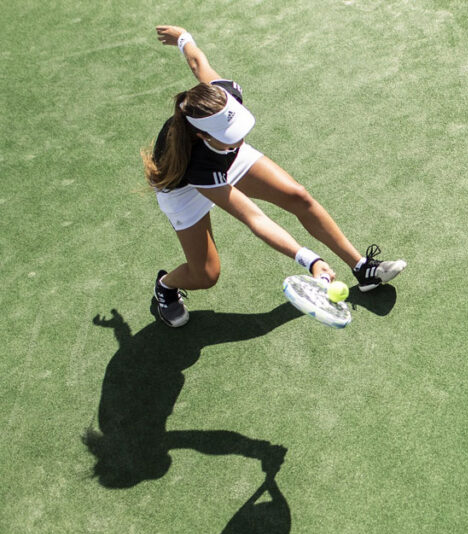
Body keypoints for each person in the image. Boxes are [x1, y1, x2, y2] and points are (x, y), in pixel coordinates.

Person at [141, 25, 405, 327]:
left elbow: (198, 62)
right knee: (206, 274)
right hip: (184, 189)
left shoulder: (221, 99)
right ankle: (166, 286)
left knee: (298, 196)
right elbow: (255, 218)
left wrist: (183, 38)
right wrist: (310, 260)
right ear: (202, 134)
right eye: (231, 134)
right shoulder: (196, 163)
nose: (240, 138)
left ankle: (361, 268)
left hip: (222, 155)